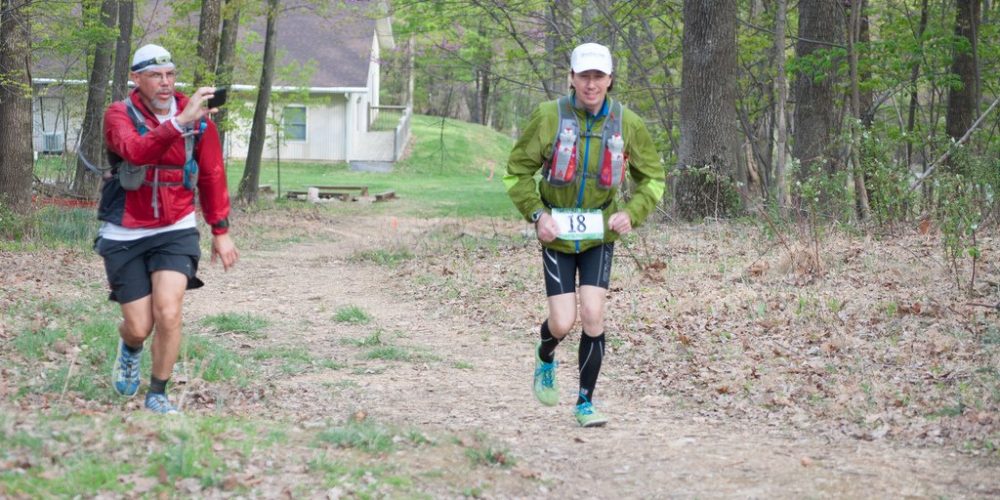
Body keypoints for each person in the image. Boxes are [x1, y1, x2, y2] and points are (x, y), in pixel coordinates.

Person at [504, 42, 665, 427]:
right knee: (562, 323)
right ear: (571, 78)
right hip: (556, 233)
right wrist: (537, 214)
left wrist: (632, 212)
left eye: (599, 76)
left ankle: (584, 403)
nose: (591, 84)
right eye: (584, 76)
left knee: (593, 315)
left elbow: (654, 180)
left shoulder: (629, 123)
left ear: (610, 79)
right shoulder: (548, 117)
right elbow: (516, 173)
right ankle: (546, 354)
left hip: (599, 233)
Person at [96, 44, 238, 414]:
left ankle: (158, 393)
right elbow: (136, 151)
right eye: (155, 75)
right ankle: (129, 349)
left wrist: (219, 228)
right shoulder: (118, 114)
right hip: (125, 230)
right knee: (140, 326)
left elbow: (210, 172)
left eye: (170, 74)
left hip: (176, 225)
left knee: (169, 312)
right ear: (136, 78)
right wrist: (178, 123)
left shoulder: (199, 119)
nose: (164, 82)